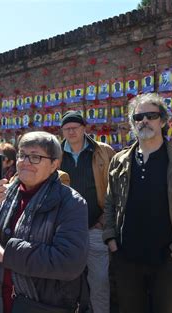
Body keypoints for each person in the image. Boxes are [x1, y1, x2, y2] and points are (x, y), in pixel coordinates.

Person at [0, 131, 89, 313]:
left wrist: (6, 254)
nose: (25, 162)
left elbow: (69, 263)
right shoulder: (1, 194)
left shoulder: (71, 203)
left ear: (54, 164)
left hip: (38, 304)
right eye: (22, 155)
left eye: (35, 157)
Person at [103, 93, 172, 313]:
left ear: (163, 120)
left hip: (168, 261)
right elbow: (111, 203)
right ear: (133, 123)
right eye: (138, 117)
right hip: (127, 258)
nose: (144, 121)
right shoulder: (119, 161)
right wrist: (111, 240)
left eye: (151, 115)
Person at [59, 111, 115, 313]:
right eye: (67, 128)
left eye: (75, 127)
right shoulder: (55, 154)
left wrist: (103, 220)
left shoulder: (103, 151)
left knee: (99, 281)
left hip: (95, 227)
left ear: (84, 128)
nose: (71, 131)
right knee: (65, 281)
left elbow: (114, 190)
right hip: (64, 231)